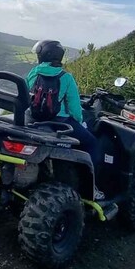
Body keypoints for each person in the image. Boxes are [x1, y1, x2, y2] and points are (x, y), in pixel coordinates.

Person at [26, 39, 105, 201]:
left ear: (43, 56)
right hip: (60, 123)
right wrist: (80, 122)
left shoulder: (34, 72)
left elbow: (27, 95)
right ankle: (93, 187)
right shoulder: (66, 78)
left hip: (32, 120)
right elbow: (76, 110)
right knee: (92, 143)